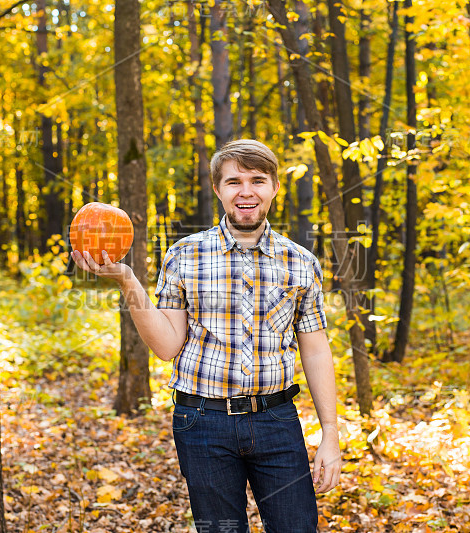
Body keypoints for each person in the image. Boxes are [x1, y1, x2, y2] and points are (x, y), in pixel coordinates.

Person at [71, 139, 341, 533]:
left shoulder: (302, 262)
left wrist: (330, 434)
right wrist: (127, 280)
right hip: (202, 422)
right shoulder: (184, 255)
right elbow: (166, 347)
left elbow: (316, 351)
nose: (246, 192)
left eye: (257, 180)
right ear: (217, 189)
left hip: (277, 422)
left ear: (274, 187)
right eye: (234, 182)